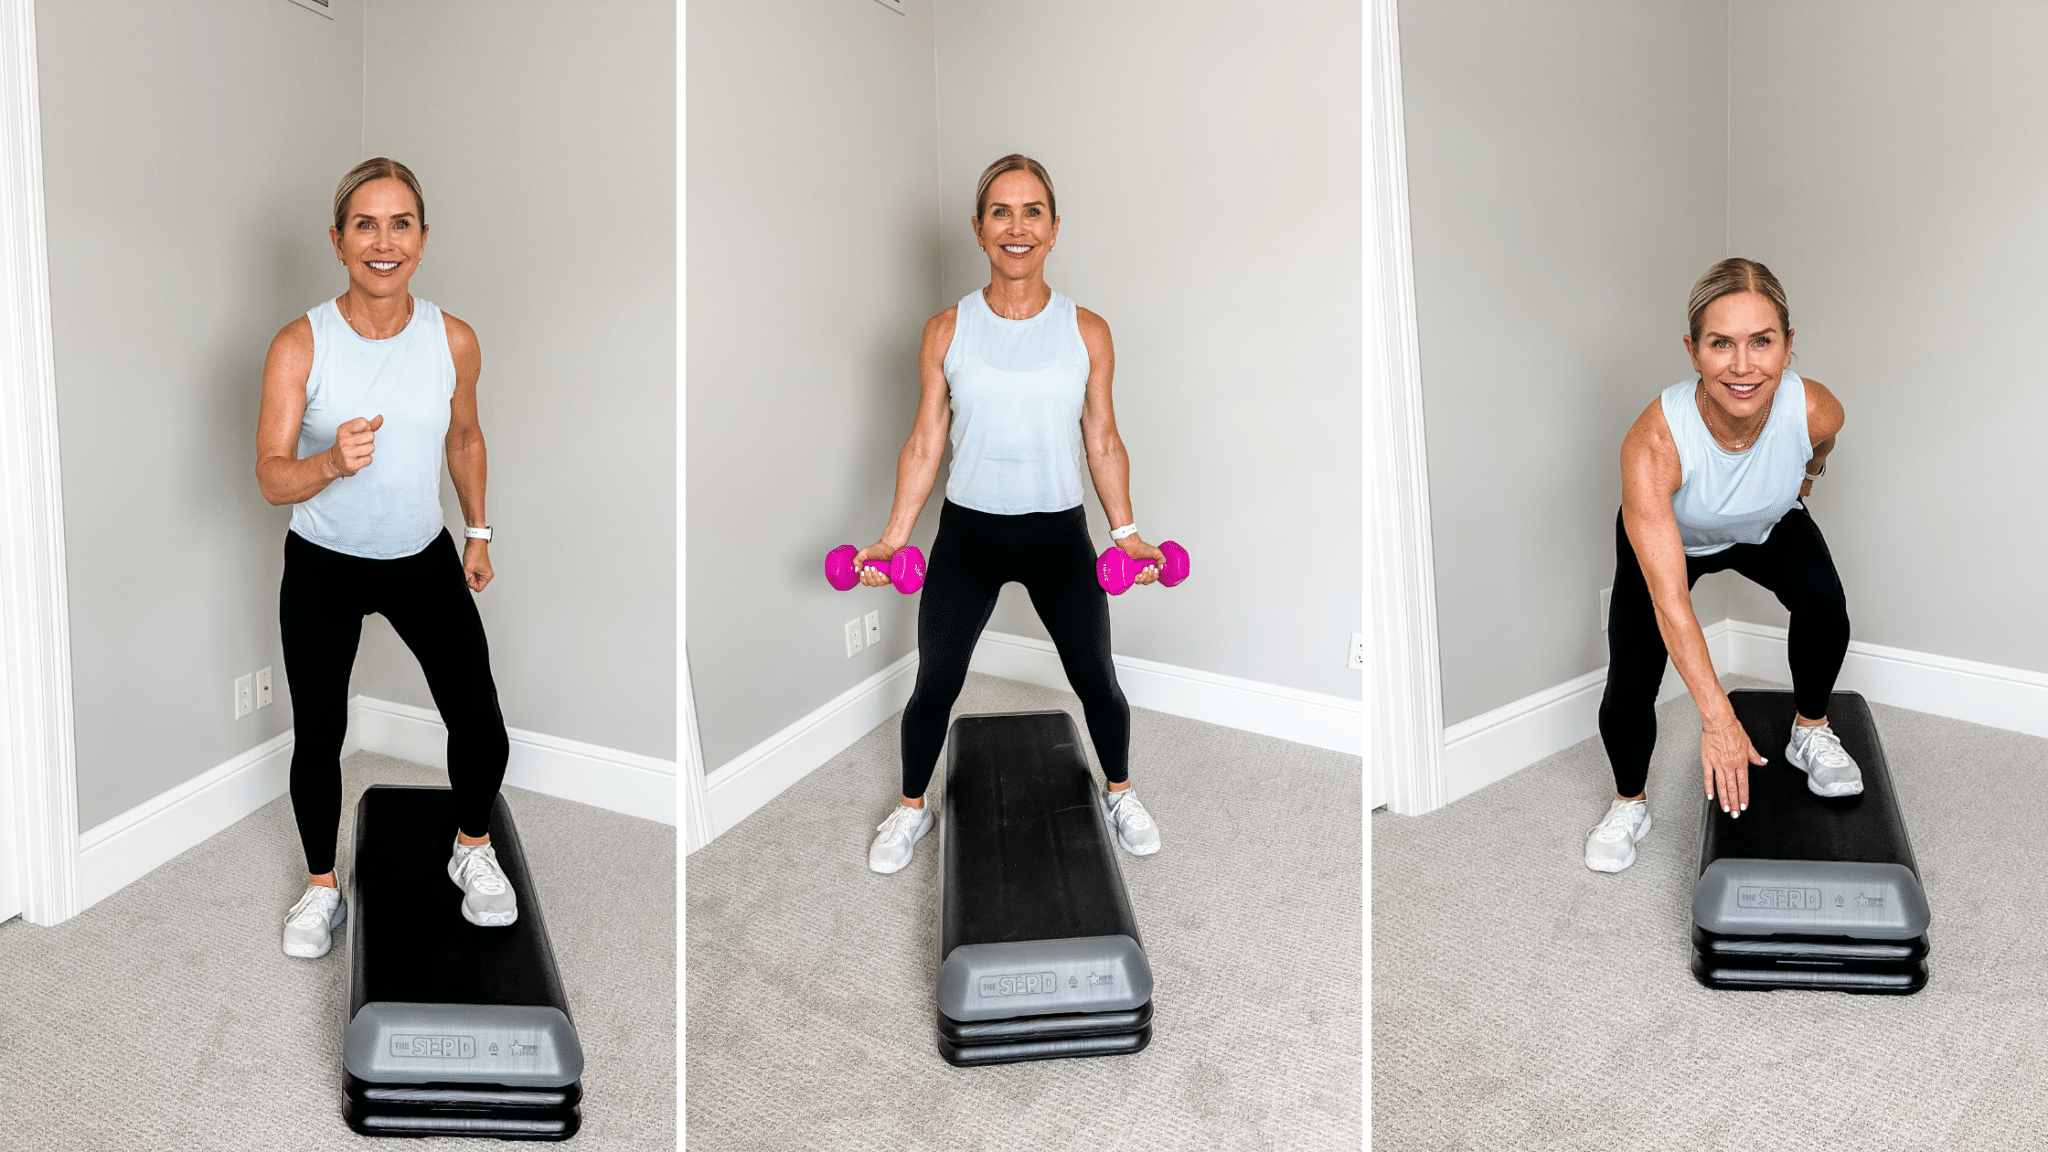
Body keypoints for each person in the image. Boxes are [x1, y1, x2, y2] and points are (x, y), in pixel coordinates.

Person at [859, 154, 1165, 874]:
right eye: (1001, 211)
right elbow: (926, 442)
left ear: (1054, 230)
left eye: (1033, 212)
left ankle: (1119, 792)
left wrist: (1127, 535)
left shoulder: (1087, 330)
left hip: (1059, 534)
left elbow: (1103, 438)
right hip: (970, 534)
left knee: (1096, 676)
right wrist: (892, 539)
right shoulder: (946, 329)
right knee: (936, 679)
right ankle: (910, 811)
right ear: (978, 228)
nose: (1017, 227)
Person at [255, 157, 517, 955]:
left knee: (479, 720)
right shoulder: (301, 344)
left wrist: (477, 531)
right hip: (323, 563)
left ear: (423, 239)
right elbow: (271, 476)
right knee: (318, 732)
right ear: (337, 241)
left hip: (420, 557)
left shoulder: (454, 339)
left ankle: (471, 848)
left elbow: (464, 436)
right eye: (364, 224)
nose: (383, 240)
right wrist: (330, 461)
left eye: (400, 223)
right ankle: (320, 889)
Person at [1585, 257, 1859, 874]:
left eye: (1762, 342)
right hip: (1676, 537)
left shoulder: (1817, 409)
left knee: (1826, 606)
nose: (1742, 366)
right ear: (1693, 350)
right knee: (1632, 674)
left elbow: (1820, 445)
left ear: (1788, 347)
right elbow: (1672, 602)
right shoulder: (1655, 441)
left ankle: (1809, 730)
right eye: (1721, 344)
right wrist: (1719, 719)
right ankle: (1630, 802)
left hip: (1763, 524)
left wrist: (1809, 476)